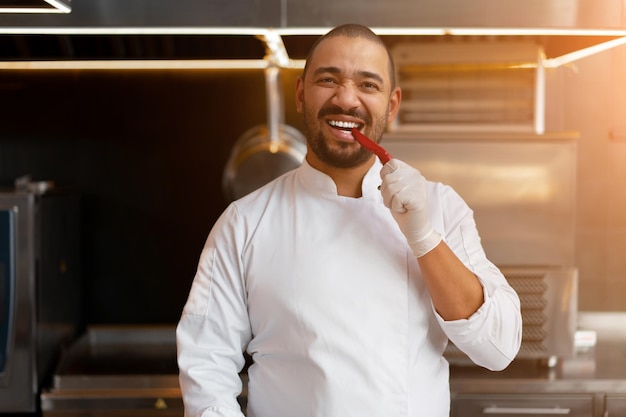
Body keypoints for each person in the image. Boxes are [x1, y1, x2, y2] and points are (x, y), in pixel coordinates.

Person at [176, 23, 522, 417]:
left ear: (391, 105)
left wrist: (423, 236)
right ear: (301, 94)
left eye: (368, 85)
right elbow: (206, 367)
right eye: (328, 80)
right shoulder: (244, 223)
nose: (346, 99)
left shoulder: (441, 206)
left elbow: (498, 347)